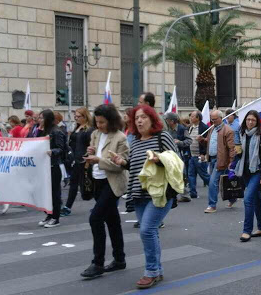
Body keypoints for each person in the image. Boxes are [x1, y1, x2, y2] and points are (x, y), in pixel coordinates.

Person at [124, 104, 178, 289]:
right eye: (136, 118)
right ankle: (157, 269)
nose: (139, 120)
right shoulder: (135, 140)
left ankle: (151, 271)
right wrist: (121, 162)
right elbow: (133, 165)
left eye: (143, 117)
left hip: (160, 192)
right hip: (139, 193)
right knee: (151, 231)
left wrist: (159, 159)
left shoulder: (162, 136)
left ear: (152, 119)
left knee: (146, 230)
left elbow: (177, 161)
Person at [79, 104, 129, 279]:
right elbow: (93, 152)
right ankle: (119, 259)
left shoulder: (120, 138)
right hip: (97, 181)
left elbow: (121, 165)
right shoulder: (95, 134)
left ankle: (97, 263)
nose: (99, 125)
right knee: (112, 220)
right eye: (97, 122)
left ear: (111, 121)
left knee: (95, 218)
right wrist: (90, 151)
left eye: (102, 122)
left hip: (112, 182)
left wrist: (98, 159)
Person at [235, 110, 261, 242]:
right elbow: (240, 156)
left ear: (257, 122)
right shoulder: (242, 134)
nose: (250, 122)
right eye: (248, 119)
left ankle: (246, 230)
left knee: (248, 199)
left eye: (253, 120)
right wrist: (237, 152)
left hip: (257, 171)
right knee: (255, 200)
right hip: (245, 171)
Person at [31, 109, 67, 228]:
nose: (39, 120)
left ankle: (55, 217)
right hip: (42, 166)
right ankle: (48, 214)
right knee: (44, 192)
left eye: (42, 118)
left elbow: (62, 148)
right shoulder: (39, 130)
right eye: (39, 118)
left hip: (53, 166)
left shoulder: (56, 131)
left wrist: (53, 152)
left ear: (48, 119)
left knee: (54, 192)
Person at [201, 110, 237, 213]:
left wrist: (231, 161)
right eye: (212, 119)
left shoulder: (228, 130)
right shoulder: (212, 129)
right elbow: (209, 143)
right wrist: (202, 140)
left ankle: (212, 205)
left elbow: (231, 148)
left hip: (221, 160)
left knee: (213, 183)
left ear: (221, 118)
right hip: (212, 159)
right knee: (225, 182)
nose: (213, 121)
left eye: (215, 119)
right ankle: (232, 198)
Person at [61, 107, 94, 216]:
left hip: (84, 160)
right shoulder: (77, 128)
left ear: (85, 117)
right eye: (75, 116)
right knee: (74, 183)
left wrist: (87, 157)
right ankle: (67, 207)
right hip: (75, 160)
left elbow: (91, 144)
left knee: (90, 183)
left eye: (78, 116)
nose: (76, 118)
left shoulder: (89, 130)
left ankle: (101, 205)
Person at [164, 112, 192, 203]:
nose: (166, 121)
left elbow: (189, 140)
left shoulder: (182, 129)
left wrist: (179, 142)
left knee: (181, 174)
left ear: (172, 121)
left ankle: (185, 194)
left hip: (180, 154)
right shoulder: (166, 129)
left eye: (167, 120)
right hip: (168, 154)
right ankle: (171, 194)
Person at [186, 110, 209, 198]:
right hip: (191, 155)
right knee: (191, 175)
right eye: (190, 116)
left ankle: (216, 187)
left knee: (204, 175)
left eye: (192, 116)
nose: (190, 118)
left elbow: (207, 142)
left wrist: (203, 153)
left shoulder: (204, 127)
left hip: (200, 156)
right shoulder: (190, 127)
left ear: (197, 118)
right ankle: (193, 193)